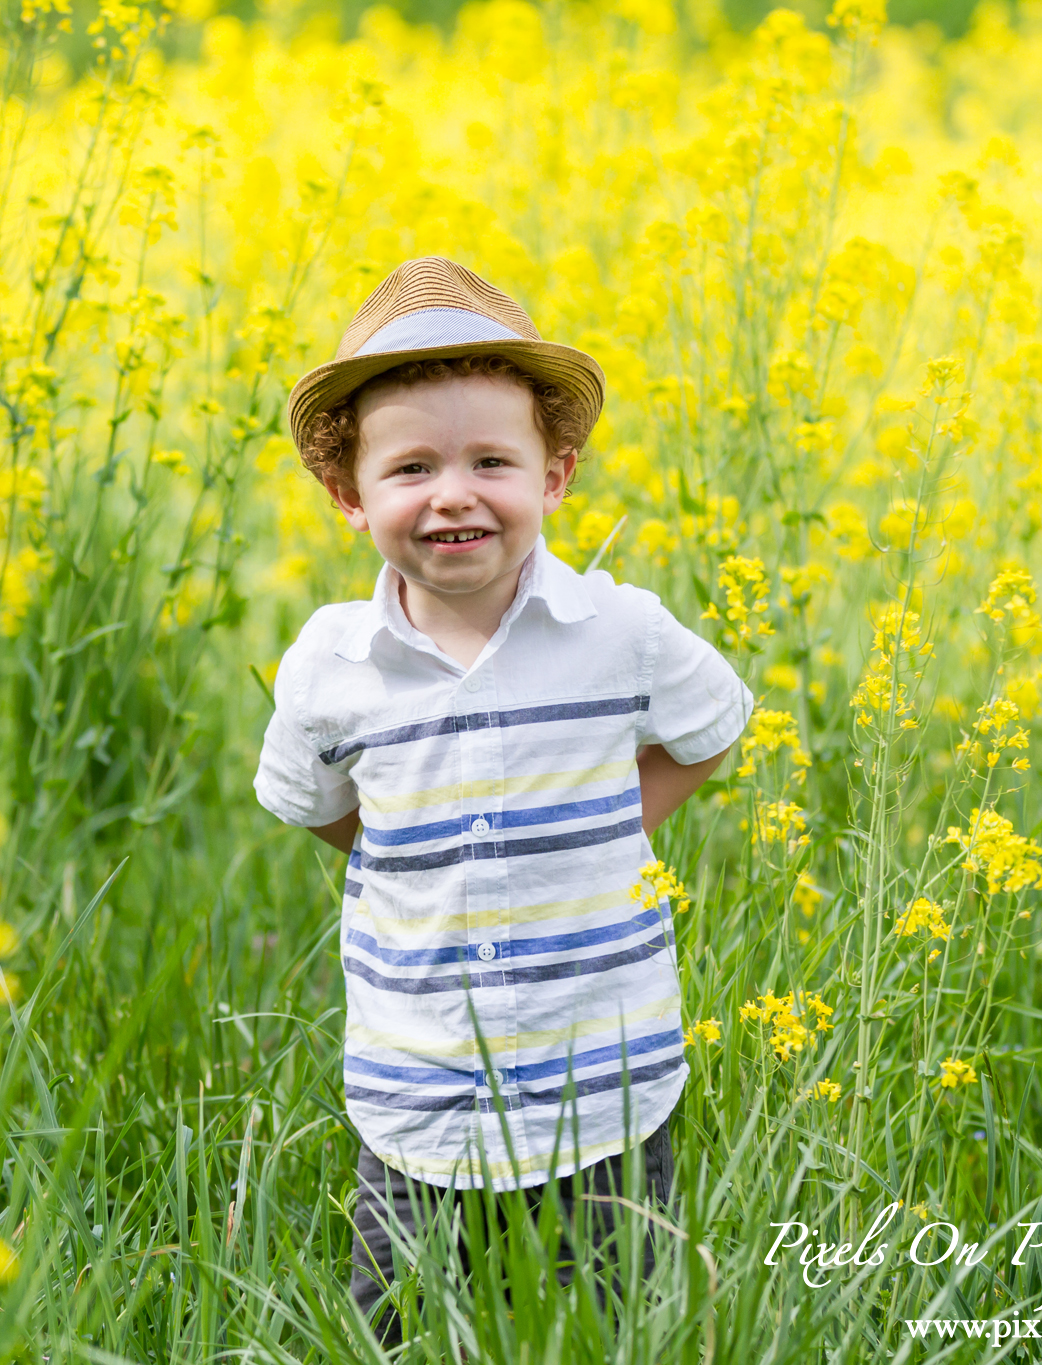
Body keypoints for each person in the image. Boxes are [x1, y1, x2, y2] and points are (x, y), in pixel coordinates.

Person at [253, 255, 753, 1342]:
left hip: (605, 1085)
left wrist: (613, 824)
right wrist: (406, 851)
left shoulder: (617, 633)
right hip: (414, 1090)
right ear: (350, 497)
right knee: (402, 1325)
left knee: (613, 1325)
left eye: (491, 460)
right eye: (410, 469)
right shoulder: (330, 666)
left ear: (554, 478)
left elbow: (712, 724)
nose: (452, 494)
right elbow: (310, 801)